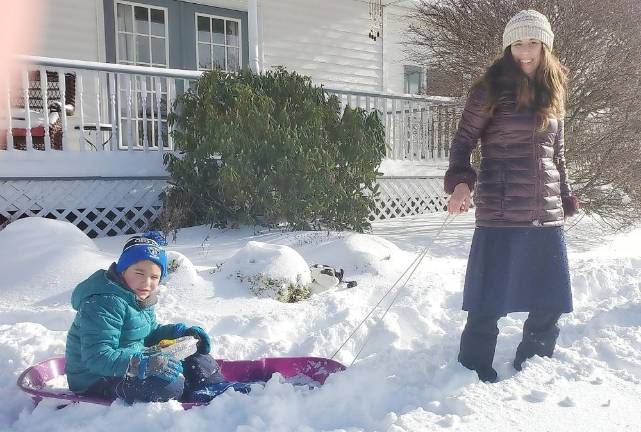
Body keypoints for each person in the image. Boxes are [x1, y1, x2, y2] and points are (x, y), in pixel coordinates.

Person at [444, 9, 579, 383]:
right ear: (508, 47)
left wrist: (565, 197)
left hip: (545, 214)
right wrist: (460, 182)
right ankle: (472, 371)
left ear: (545, 46)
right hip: (501, 211)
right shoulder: (490, 88)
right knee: (489, 301)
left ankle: (532, 364)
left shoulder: (554, 90)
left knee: (549, 301)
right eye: (518, 43)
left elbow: (558, 154)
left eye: (533, 42)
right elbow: (463, 142)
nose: (525, 51)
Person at [65, 232, 249, 403]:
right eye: (139, 273)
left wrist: (179, 333)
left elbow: (148, 334)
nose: (147, 282)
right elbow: (98, 357)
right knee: (170, 387)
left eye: (154, 277)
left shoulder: (139, 297)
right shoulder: (104, 302)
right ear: (122, 270)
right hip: (95, 379)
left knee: (193, 349)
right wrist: (141, 364)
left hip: (130, 363)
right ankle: (184, 388)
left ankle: (211, 385)